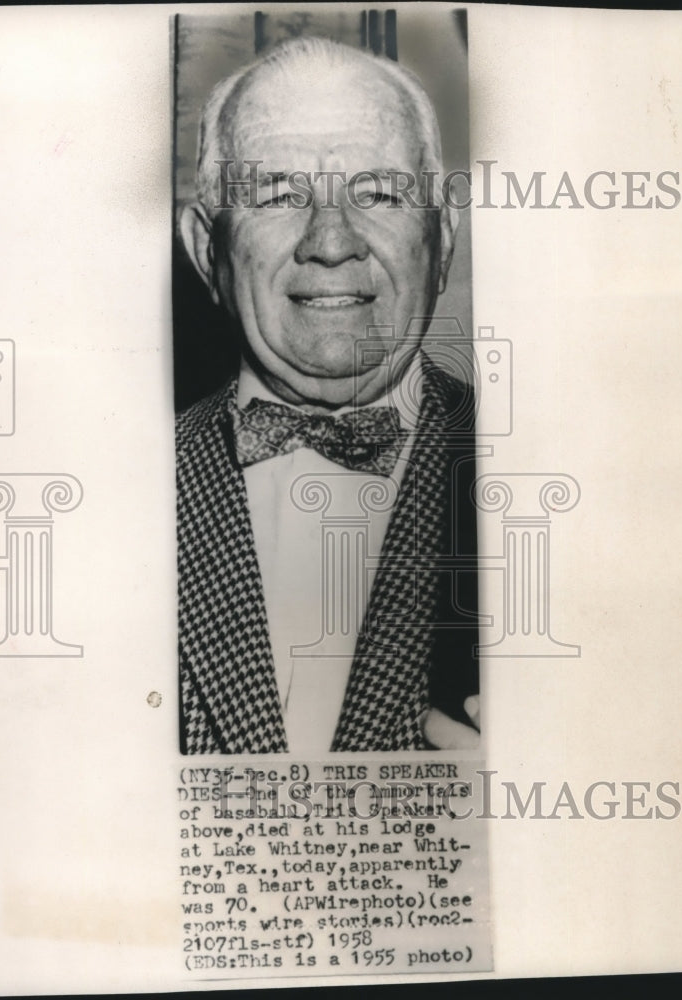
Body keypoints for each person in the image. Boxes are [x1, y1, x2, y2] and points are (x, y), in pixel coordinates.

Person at [176, 36, 480, 754]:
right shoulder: (104, 489)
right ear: (206, 251)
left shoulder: (569, 485)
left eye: (378, 192)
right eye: (278, 193)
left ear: (444, 241)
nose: (332, 241)